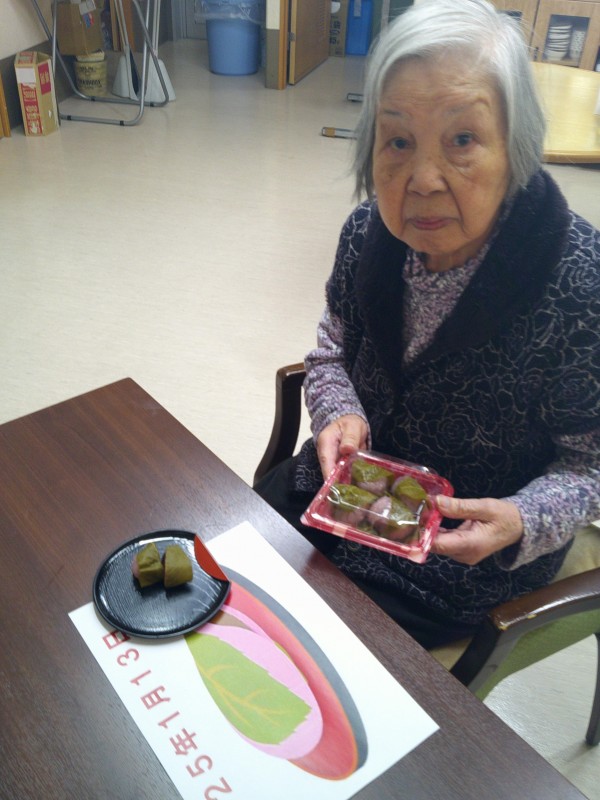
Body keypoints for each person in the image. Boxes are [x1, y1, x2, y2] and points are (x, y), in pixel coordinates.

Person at [255, 0, 600, 649]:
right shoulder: (366, 234)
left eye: (462, 140)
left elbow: (591, 467)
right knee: (235, 579)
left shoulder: (580, 282)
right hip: (344, 497)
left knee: (329, 659)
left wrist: (523, 519)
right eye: (398, 140)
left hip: (454, 559)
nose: (423, 179)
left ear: (516, 147)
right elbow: (330, 350)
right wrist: (337, 410)